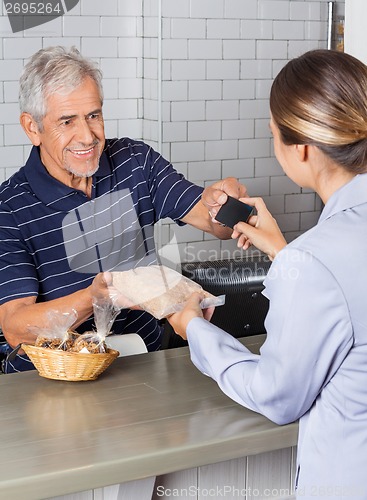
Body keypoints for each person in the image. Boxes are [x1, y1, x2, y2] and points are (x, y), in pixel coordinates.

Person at [167, 49, 367, 500]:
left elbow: (278, 396)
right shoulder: (317, 257)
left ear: (302, 148)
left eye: (273, 134)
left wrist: (193, 328)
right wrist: (284, 252)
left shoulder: (318, 262)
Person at [0, 45, 246, 374]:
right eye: (67, 121)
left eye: (93, 115)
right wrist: (98, 296)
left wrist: (227, 204)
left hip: (142, 363)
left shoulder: (135, 161)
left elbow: (217, 223)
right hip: (49, 381)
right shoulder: (8, 209)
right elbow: (15, 328)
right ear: (33, 128)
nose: (87, 136)